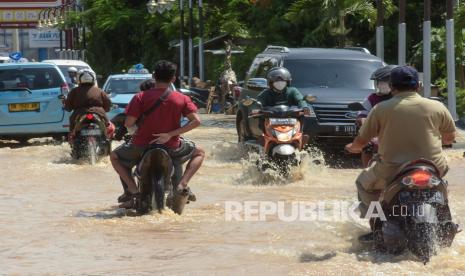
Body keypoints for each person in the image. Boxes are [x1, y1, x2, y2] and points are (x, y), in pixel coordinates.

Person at [345, 66, 456, 239]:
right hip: (433, 167)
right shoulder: (437, 107)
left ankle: (376, 224)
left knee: (363, 183)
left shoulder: (381, 109)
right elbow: (449, 138)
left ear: (392, 87)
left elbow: (361, 141)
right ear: (418, 86)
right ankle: (445, 215)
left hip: (392, 170)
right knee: (444, 181)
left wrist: (353, 148)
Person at [110, 60, 205, 209]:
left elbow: (128, 123)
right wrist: (170, 134)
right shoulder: (181, 98)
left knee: (114, 156)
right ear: (173, 78)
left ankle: (134, 192)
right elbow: (196, 121)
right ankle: (182, 185)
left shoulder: (140, 97)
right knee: (200, 152)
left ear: (154, 76)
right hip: (171, 145)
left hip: (140, 145)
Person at [356, 65, 396, 167]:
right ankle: (367, 170)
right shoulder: (372, 98)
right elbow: (362, 114)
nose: (381, 85)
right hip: (377, 134)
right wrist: (364, 124)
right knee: (367, 148)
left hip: (398, 133)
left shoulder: (401, 97)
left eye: (385, 82)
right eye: (379, 82)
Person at [63, 69, 111, 134]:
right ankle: (106, 138)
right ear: (93, 78)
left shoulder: (74, 91)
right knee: (107, 126)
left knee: (72, 127)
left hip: (79, 113)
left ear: (78, 79)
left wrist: (66, 106)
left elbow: (68, 107)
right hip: (99, 113)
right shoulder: (100, 91)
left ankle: (73, 136)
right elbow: (107, 104)